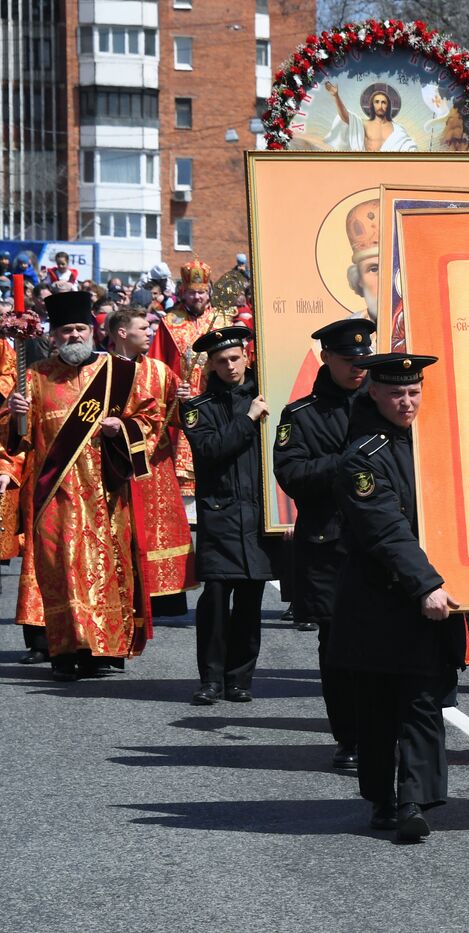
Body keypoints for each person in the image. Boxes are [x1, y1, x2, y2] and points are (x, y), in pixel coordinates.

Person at [328, 352, 466, 841]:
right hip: (380, 602)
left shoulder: (437, 443)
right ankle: (383, 799)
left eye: (413, 391)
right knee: (380, 706)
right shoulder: (361, 458)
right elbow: (385, 530)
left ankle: (413, 800)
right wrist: (425, 583)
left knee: (424, 701)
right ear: (373, 393)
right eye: (394, 392)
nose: (406, 402)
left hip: (433, 598)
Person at [3, 291, 160, 680]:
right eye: (66, 331)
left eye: (79, 328)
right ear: (54, 336)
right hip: (52, 495)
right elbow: (16, 439)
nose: (74, 335)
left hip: (105, 494)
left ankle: (101, 649)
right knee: (60, 573)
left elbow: (149, 420)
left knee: (106, 570)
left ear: (91, 330)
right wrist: (13, 414)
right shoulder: (36, 375)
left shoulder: (118, 373)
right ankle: (64, 650)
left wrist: (120, 428)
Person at [273, 317, 375, 768]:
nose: (358, 368)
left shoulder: (382, 403)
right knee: (337, 648)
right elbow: (291, 474)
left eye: (364, 360)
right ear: (326, 358)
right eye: (349, 360)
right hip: (328, 542)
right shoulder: (301, 415)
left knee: (384, 640)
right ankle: (350, 738)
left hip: (379, 541)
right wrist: (345, 465)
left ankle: (385, 730)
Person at [182, 326, 277, 705]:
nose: (230, 366)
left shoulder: (267, 395)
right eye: (221, 361)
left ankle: (240, 680)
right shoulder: (196, 409)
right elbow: (210, 449)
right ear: (211, 366)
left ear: (246, 357)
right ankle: (211, 679)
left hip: (256, 516)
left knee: (251, 603)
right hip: (219, 516)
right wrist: (249, 419)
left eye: (235, 358)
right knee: (216, 602)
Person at [106, 309, 195, 616]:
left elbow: (184, 421)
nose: (149, 333)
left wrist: (185, 400)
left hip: (155, 466)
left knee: (158, 526)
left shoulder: (160, 371)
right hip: (113, 464)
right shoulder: (99, 369)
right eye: (143, 328)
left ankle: (162, 595)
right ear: (121, 332)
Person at [156, 260, 239, 499]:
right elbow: (159, 366)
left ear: (209, 291)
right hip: (184, 405)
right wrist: (173, 392)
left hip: (217, 402)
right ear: (182, 292)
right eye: (192, 292)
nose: (197, 297)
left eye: (202, 292)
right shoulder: (169, 323)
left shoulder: (223, 321)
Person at [324, 81, 419, 152]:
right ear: (372, 105)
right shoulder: (363, 125)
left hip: (390, 170)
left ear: (388, 106)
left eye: (383, 102)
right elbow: (345, 116)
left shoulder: (398, 130)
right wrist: (336, 96)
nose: (380, 106)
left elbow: (410, 149)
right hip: (365, 168)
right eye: (377, 102)